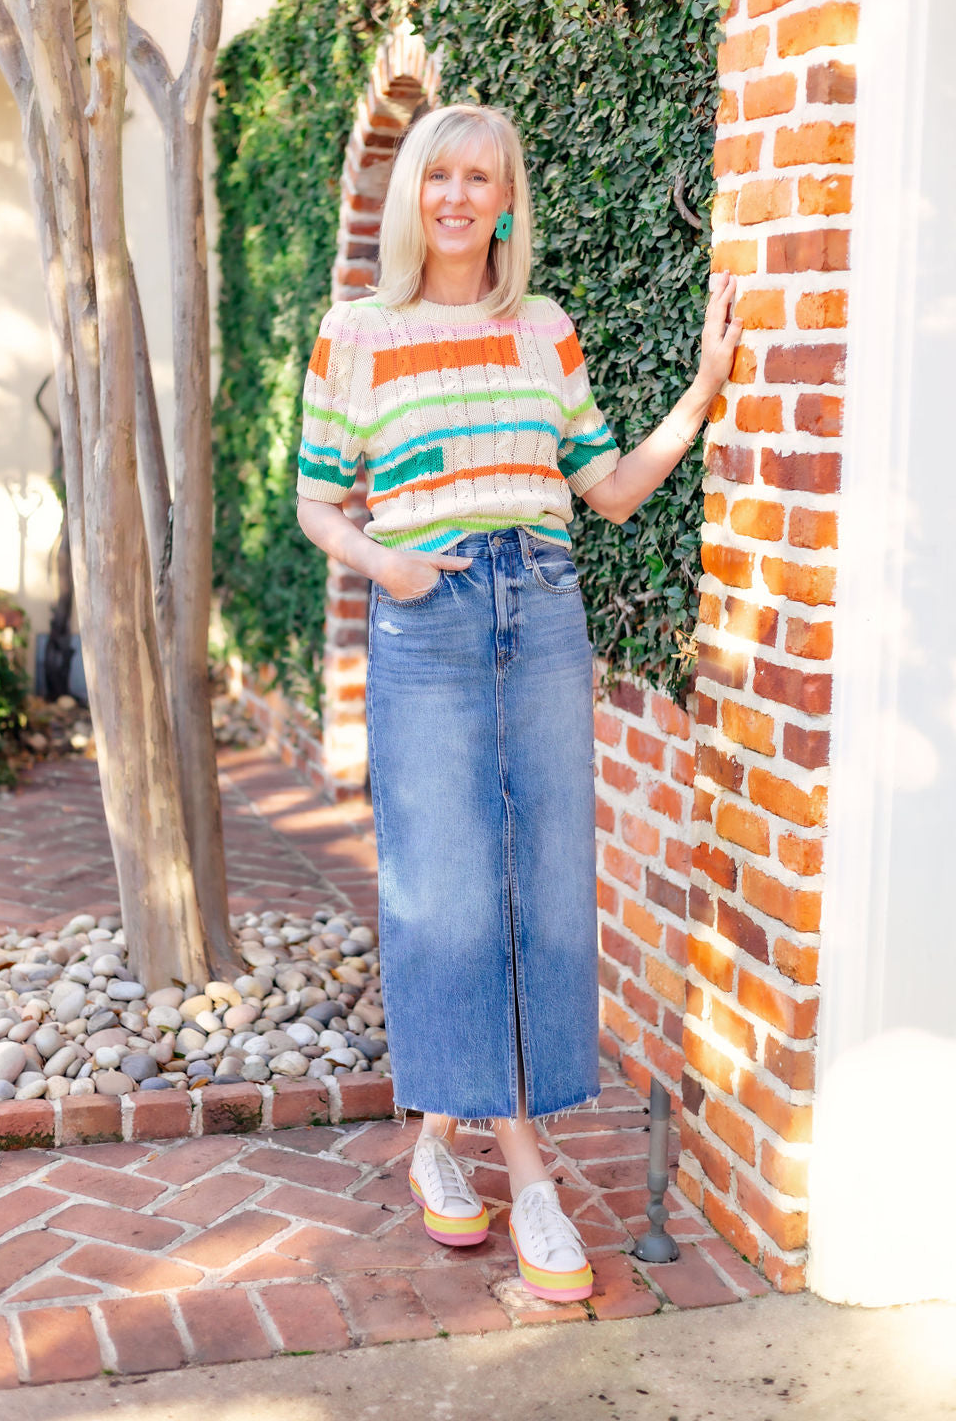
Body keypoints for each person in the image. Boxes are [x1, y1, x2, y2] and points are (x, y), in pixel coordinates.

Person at [296, 103, 741, 1303]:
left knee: (544, 885)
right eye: (437, 174)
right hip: (428, 619)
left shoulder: (543, 328)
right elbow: (317, 501)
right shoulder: (358, 332)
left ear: (505, 200)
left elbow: (601, 488)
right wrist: (385, 563)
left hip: (541, 612)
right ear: (413, 195)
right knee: (444, 893)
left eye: (480, 177)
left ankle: (441, 1135)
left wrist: (700, 393)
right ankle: (531, 1176)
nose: (455, 195)